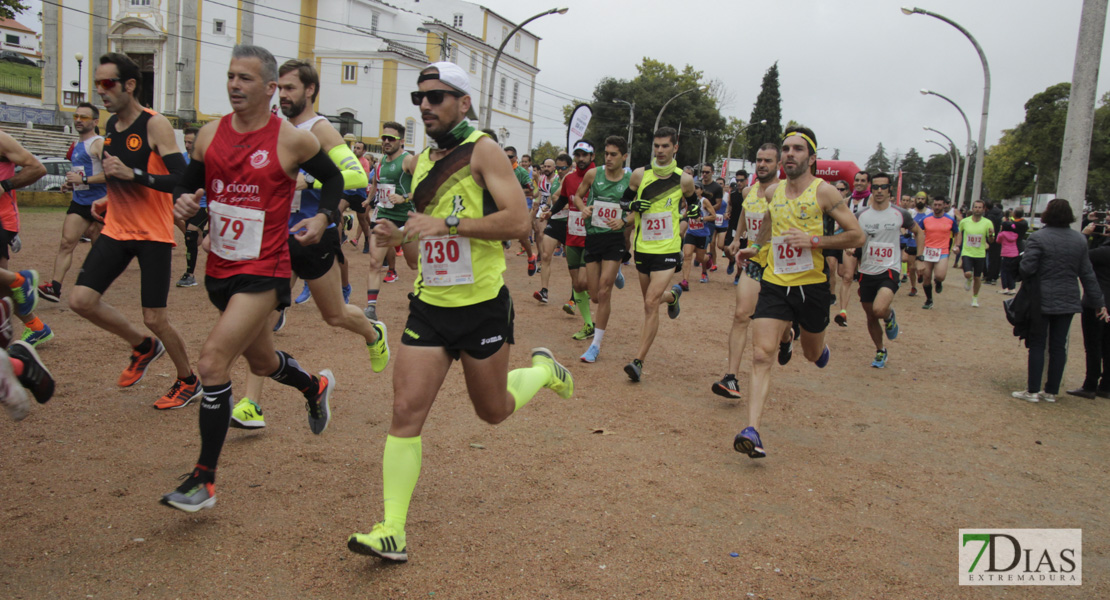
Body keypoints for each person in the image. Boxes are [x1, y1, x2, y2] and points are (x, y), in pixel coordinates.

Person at [347, 61, 573, 563]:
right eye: (418, 98)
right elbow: (418, 245)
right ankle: (392, 529)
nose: (424, 105)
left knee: (491, 413)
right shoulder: (423, 162)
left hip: (482, 308)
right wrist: (399, 235)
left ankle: (541, 371)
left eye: (436, 97)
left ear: (462, 102)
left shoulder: (484, 150)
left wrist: (447, 223)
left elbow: (516, 221)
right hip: (430, 307)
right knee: (405, 412)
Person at [160, 44, 347, 512]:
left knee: (213, 363)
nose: (234, 86)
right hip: (220, 267)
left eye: (244, 79)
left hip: (265, 270)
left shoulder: (292, 140)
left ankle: (203, 480)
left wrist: (324, 217)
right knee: (261, 363)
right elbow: (188, 183)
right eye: (230, 76)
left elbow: (336, 180)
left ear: (268, 89)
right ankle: (313, 386)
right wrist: (185, 201)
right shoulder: (208, 134)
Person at [228, 58, 388, 429]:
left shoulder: (321, 130)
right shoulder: (278, 130)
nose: (281, 95)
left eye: (289, 88)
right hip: (277, 238)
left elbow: (355, 176)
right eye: (278, 88)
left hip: (314, 235)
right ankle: (251, 404)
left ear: (310, 91)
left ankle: (371, 330)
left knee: (334, 315)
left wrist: (308, 182)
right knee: (259, 322)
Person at [69, 53, 198, 410]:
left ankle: (188, 379)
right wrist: (109, 201)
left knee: (155, 317)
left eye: (107, 83)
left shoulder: (154, 125)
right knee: (80, 300)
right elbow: (117, 171)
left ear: (129, 85)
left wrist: (135, 175)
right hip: (117, 228)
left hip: (153, 233)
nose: (101, 91)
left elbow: (182, 180)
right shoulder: (111, 126)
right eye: (97, 84)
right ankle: (142, 346)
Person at [732, 126, 864, 458]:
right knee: (762, 354)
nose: (790, 154)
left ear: (812, 158)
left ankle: (808, 344)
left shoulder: (825, 193)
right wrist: (756, 248)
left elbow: (857, 236)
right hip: (776, 284)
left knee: (812, 354)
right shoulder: (772, 192)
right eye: (787, 148)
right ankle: (753, 431)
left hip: (812, 288)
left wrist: (814, 241)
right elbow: (767, 225)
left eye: (798, 149)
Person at [713, 144, 791, 397]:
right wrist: (738, 238)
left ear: (778, 164)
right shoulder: (749, 190)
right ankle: (731, 378)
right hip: (755, 264)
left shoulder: (785, 191)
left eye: (768, 160)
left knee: (776, 325)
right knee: (741, 316)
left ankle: (788, 337)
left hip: (780, 267)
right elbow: (746, 214)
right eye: (759, 160)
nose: (762, 164)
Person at [1013, 199, 1107, 403]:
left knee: (1038, 344)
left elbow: (1027, 268)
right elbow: (1087, 274)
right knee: (1058, 345)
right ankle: (1051, 391)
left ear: (1047, 214)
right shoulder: (1079, 240)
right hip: (1069, 297)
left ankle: (1032, 390)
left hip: (1042, 297)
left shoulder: (1038, 238)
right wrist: (1100, 301)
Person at [622, 127, 691, 382]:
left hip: (669, 249)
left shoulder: (683, 179)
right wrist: (633, 206)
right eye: (657, 146)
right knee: (650, 302)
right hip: (643, 248)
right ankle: (672, 297)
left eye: (665, 146)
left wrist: (689, 216)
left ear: (675, 147)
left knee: (650, 303)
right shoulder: (640, 175)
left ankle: (638, 361)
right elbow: (623, 202)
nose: (660, 151)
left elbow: (693, 203)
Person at [854, 172, 923, 368]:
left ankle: (889, 315)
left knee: (879, 309)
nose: (879, 191)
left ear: (890, 190)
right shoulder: (861, 215)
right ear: (870, 189)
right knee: (870, 315)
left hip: (890, 269)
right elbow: (851, 235)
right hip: (867, 270)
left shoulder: (900, 213)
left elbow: (919, 233)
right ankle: (880, 350)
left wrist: (920, 258)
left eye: (883, 187)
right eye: (875, 187)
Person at [574, 135, 630, 363]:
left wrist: (625, 221)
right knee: (595, 295)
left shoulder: (631, 180)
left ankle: (595, 345)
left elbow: (640, 211)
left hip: (615, 239)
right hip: (594, 236)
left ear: (624, 157)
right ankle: (615, 272)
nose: (608, 158)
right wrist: (583, 208)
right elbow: (577, 196)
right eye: (606, 153)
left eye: (613, 154)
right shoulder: (592, 174)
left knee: (605, 292)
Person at [42, 102, 105, 303]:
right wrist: (72, 185)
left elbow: (113, 174)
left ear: (95, 121)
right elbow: (83, 174)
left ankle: (94, 288)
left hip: (102, 204)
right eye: (76, 116)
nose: (78, 120)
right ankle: (55, 287)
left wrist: (84, 180)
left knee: (100, 250)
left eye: (84, 117)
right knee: (66, 243)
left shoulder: (98, 144)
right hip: (80, 201)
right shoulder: (77, 145)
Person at [364, 121, 417, 321]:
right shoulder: (379, 163)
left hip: (407, 220)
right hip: (384, 218)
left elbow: (423, 186)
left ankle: (423, 296)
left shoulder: (408, 160)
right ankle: (370, 307)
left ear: (401, 141)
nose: (385, 141)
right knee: (374, 262)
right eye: (384, 138)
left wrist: (405, 197)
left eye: (391, 138)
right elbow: (376, 185)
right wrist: (369, 201)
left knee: (414, 264)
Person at [550, 141, 595, 339]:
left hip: (593, 237)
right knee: (577, 285)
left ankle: (613, 269)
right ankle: (588, 324)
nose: (581, 159)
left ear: (592, 157)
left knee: (586, 283)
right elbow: (563, 199)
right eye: (577, 155)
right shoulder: (569, 178)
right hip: (572, 237)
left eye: (585, 155)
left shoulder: (599, 176)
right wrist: (549, 212)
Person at [1069, 233, 1110, 399]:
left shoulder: (1103, 253)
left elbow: (1080, 254)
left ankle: (1090, 384)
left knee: (1093, 345)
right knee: (1108, 346)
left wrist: (1086, 234)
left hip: (1096, 302)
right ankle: (1106, 385)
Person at [833, 171, 871, 327]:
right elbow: (840, 222)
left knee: (868, 279)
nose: (859, 182)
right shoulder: (847, 202)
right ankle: (843, 312)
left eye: (863, 180)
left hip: (868, 244)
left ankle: (874, 309)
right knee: (846, 276)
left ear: (868, 183)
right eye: (857, 180)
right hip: (850, 243)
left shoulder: (872, 201)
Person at [533, 154, 570, 303]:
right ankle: (544, 291)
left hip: (569, 224)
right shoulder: (554, 182)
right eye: (559, 168)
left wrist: (567, 205)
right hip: (554, 222)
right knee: (546, 255)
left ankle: (575, 296)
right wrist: (546, 210)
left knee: (572, 264)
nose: (561, 171)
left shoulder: (573, 181)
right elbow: (550, 200)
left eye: (563, 168)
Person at [175, 126, 205, 288]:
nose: (187, 145)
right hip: (188, 204)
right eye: (185, 142)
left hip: (205, 204)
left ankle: (189, 274)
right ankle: (207, 235)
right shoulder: (181, 159)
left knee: (190, 235)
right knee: (197, 240)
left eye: (191, 142)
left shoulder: (206, 159)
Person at [917, 196, 958, 309]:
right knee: (926, 277)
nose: (937, 207)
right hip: (928, 250)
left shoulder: (950, 219)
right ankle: (929, 300)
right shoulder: (926, 219)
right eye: (935, 205)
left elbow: (957, 233)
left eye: (939, 205)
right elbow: (918, 232)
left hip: (942, 251)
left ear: (944, 205)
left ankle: (938, 282)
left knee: (940, 275)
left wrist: (957, 245)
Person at [953, 199, 995, 307]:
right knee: (968, 273)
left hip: (980, 253)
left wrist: (991, 235)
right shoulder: (965, 221)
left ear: (983, 209)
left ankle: (975, 298)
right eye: (976, 207)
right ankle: (968, 278)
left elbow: (991, 240)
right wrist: (957, 245)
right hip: (967, 252)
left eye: (980, 207)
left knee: (977, 277)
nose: (977, 209)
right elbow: (959, 234)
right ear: (972, 208)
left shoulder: (987, 223)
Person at [504, 146, 537, 273]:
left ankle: (531, 257)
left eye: (510, 157)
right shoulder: (499, 169)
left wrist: (515, 190)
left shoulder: (521, 172)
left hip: (518, 206)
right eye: (505, 156)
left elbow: (531, 190)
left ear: (515, 158)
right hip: (502, 206)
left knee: (522, 236)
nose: (507, 159)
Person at [680, 182, 713, 286]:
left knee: (699, 258)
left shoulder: (704, 201)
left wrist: (701, 218)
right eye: (693, 188)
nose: (695, 190)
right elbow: (685, 214)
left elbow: (714, 216)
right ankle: (685, 281)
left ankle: (708, 258)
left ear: (701, 191)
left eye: (697, 188)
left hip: (702, 235)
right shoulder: (689, 201)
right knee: (687, 255)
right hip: (691, 233)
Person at [997, 220, 1020, 295]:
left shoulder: (1002, 234)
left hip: (1006, 254)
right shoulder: (1015, 234)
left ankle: (1005, 288)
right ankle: (1012, 288)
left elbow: (998, 241)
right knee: (1011, 272)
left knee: (1004, 271)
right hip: (1015, 254)